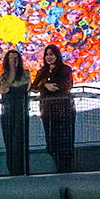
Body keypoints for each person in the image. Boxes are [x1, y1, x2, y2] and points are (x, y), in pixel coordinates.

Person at [32, 44, 75, 172]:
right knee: (51, 139)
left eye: (51, 54)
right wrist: (45, 84)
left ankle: (66, 168)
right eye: (47, 54)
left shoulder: (65, 69)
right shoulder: (42, 72)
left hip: (64, 110)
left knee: (65, 139)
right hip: (47, 111)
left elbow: (67, 84)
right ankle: (54, 166)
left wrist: (52, 85)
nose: (49, 57)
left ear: (57, 55)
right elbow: (34, 87)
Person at [0, 49, 31, 175]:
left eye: (16, 58)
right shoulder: (3, 77)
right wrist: (3, 89)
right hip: (8, 113)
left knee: (21, 143)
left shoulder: (25, 74)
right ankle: (12, 171)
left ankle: (23, 171)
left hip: (21, 113)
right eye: (11, 59)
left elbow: (27, 87)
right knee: (10, 143)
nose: (14, 61)